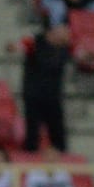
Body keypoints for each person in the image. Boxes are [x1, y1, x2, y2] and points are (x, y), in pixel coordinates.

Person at [21, 22, 71, 152]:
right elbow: (22, 45)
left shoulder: (63, 49)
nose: (66, 37)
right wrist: (14, 47)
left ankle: (62, 163)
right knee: (32, 135)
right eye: (63, 33)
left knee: (58, 135)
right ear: (52, 32)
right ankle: (30, 164)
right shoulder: (36, 42)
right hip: (34, 97)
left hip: (53, 97)